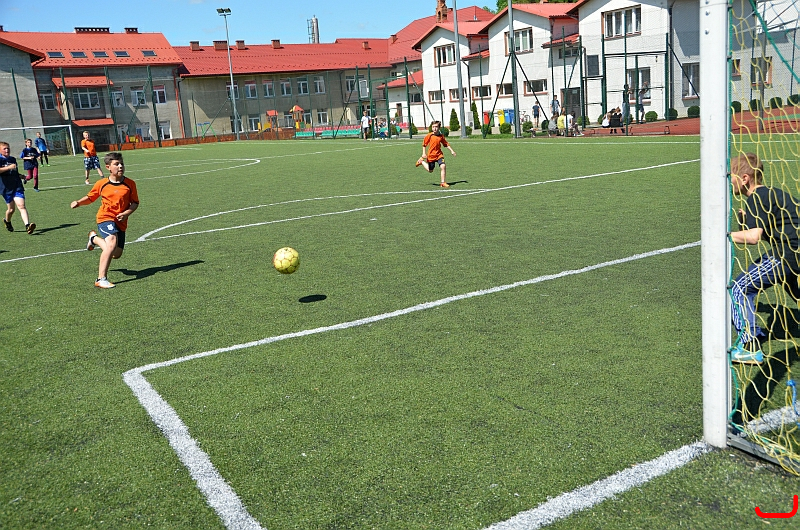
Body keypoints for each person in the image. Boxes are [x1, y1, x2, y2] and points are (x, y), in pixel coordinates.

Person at [729, 152, 800, 363]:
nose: (729, 181)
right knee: (793, 290)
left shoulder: (757, 197)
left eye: (731, 176)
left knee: (739, 288)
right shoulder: (773, 194)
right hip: (794, 253)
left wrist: (723, 235)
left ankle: (750, 346)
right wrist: (745, 221)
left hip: (787, 254)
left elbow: (753, 237)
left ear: (744, 178)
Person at [70, 152, 139, 289]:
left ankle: (94, 239)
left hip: (121, 222)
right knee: (111, 242)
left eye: (121, 164)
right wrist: (78, 202)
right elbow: (90, 197)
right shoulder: (102, 183)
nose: (120, 166)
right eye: (116, 164)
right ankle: (101, 279)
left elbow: (135, 203)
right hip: (105, 217)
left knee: (116, 254)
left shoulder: (130, 184)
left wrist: (126, 213)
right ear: (108, 167)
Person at [0, 141, 36, 235]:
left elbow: (14, 172)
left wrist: (21, 176)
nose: (7, 150)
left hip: (17, 186)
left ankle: (27, 225)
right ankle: (7, 221)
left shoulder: (12, 159)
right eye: (4, 148)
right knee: (11, 210)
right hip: (6, 188)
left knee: (21, 205)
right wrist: (8, 167)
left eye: (8, 148)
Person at [415, 121, 456, 188]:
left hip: (439, 155)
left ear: (439, 128)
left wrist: (452, 151)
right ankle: (421, 162)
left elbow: (446, 144)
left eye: (436, 127)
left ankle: (443, 183)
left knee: (443, 166)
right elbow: (424, 144)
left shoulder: (441, 136)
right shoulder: (429, 135)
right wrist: (423, 153)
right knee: (430, 170)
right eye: (433, 127)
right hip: (431, 156)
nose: (434, 128)